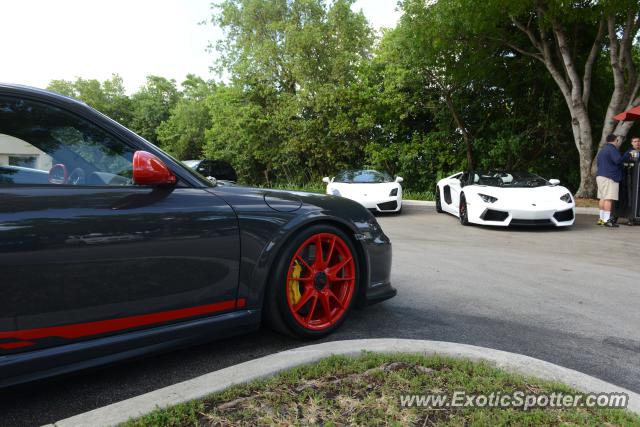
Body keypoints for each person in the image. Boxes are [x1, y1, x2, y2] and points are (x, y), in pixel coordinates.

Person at [596, 134, 632, 227]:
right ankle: (607, 220)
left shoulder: (603, 150)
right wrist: (627, 155)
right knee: (608, 199)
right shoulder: (612, 149)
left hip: (600, 176)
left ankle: (601, 219)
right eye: (617, 140)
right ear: (615, 140)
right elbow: (618, 160)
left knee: (602, 198)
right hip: (610, 177)